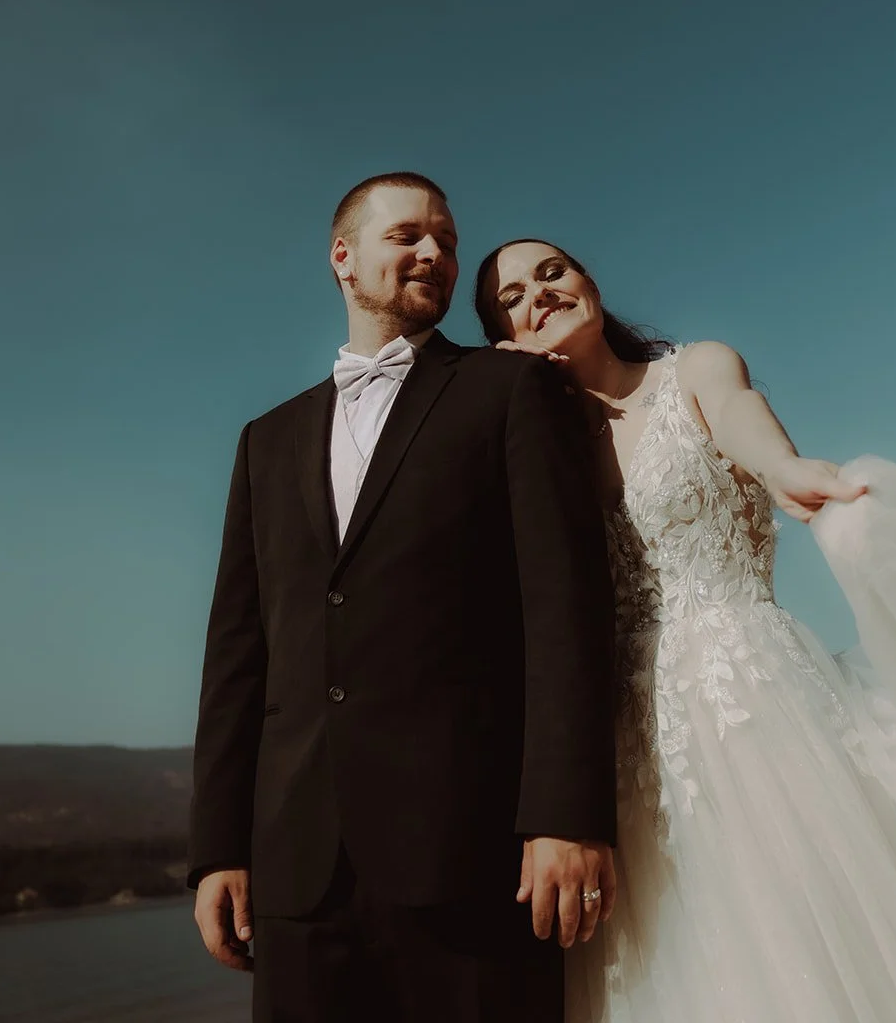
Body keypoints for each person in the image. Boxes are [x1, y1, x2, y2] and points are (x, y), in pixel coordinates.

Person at [474, 237, 896, 1023]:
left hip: (750, 697)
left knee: (814, 916)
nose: (539, 294)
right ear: (501, 333)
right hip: (621, 748)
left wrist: (782, 467)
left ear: (589, 283)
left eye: (552, 273)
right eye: (512, 296)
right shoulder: (534, 447)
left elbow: (744, 423)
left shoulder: (695, 370)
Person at [188, 176, 618, 1023]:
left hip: (469, 851)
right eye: (409, 236)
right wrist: (216, 851)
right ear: (342, 259)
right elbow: (238, 655)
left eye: (448, 242)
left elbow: (566, 610)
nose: (435, 254)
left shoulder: (510, 392)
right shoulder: (264, 441)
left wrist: (566, 815)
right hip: (297, 869)